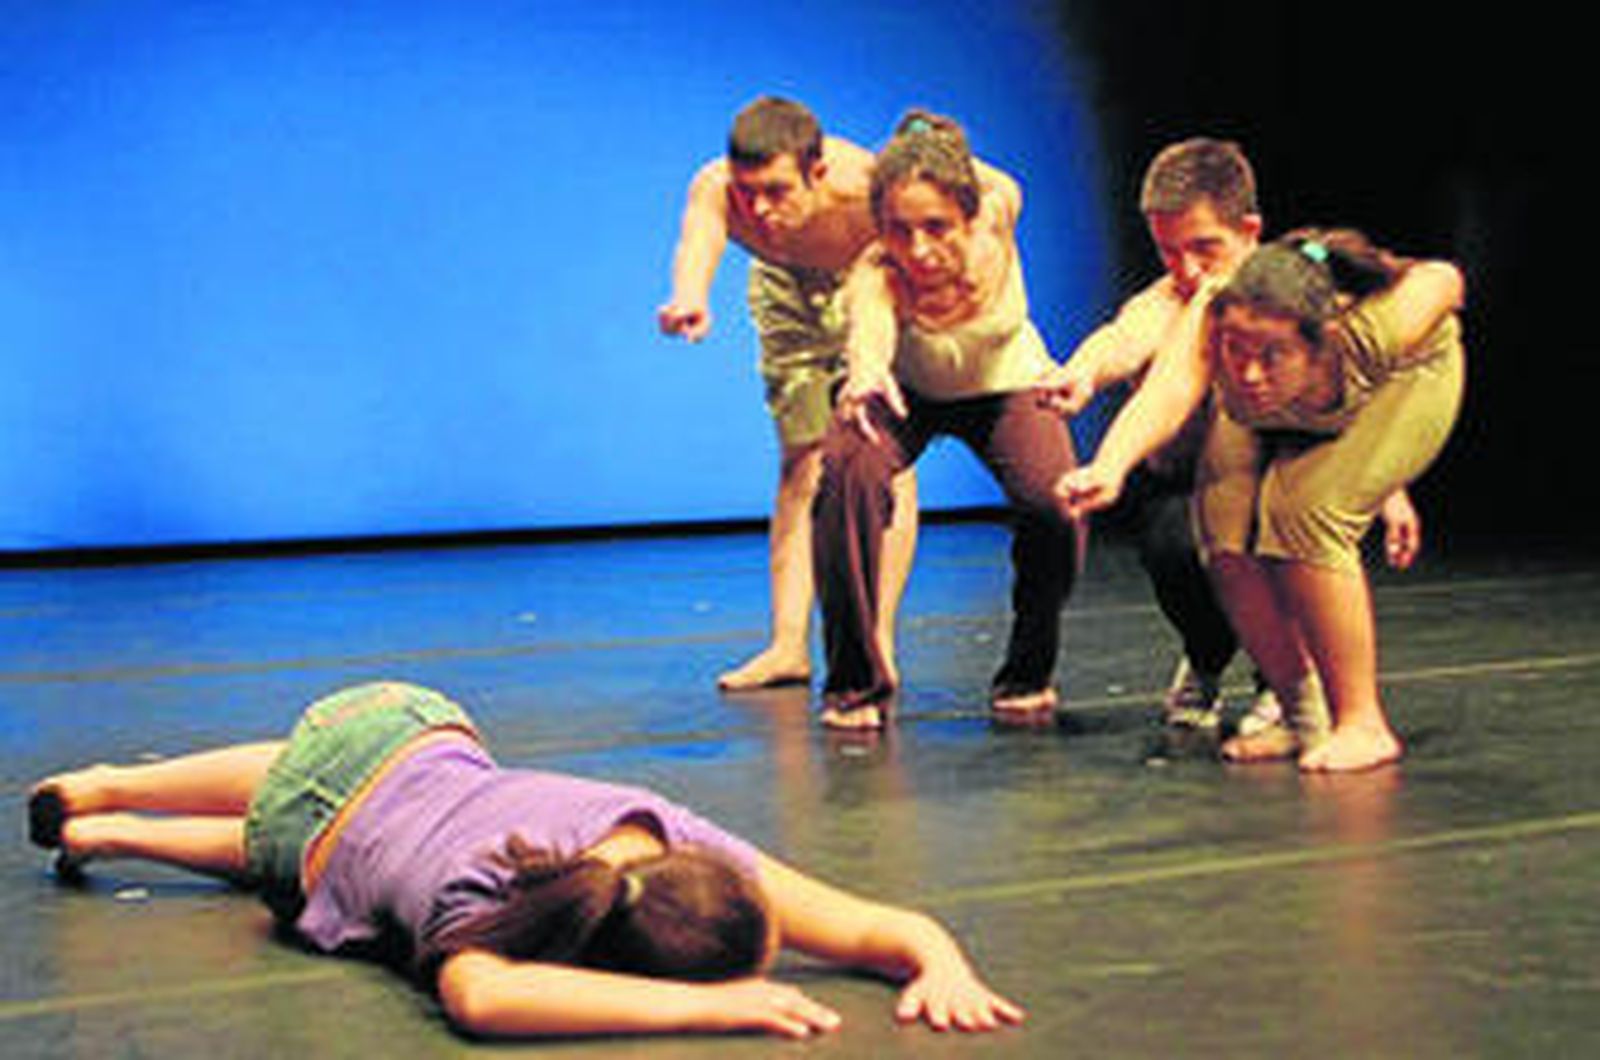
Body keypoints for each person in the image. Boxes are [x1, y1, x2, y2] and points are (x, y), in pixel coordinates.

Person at [26, 681, 1024, 1039]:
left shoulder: (673, 837)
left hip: (400, 725)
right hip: (314, 839)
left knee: (302, 789)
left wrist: (936, 959)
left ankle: (108, 802)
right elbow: (485, 1003)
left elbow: (881, 929)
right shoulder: (484, 916)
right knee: (288, 829)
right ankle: (117, 820)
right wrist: (706, 1002)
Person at [1038, 138, 1421, 735]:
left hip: (1281, 476)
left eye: (1204, 249)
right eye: (1169, 252)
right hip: (1191, 486)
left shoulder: (1292, 294)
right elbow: (1124, 339)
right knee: (1174, 544)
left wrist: (1390, 488)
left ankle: (1286, 682)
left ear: (1249, 231)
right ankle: (1208, 654)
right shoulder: (1169, 301)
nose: (1187, 269)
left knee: (1285, 526)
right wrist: (1080, 372)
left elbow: (1352, 398)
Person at [1060, 230, 1466, 772]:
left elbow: (1445, 279)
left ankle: (1363, 723)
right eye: (1236, 352)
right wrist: (1110, 465)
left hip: (1406, 384)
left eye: (1272, 355)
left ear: (1320, 340)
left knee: (1303, 513)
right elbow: (1170, 390)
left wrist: (1388, 488)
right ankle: (1301, 721)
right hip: (1283, 413)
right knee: (1223, 537)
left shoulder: (1370, 331)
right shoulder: (1220, 310)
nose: (1249, 373)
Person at [813, 111, 1084, 730]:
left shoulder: (1001, 206)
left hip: (1004, 384)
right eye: (898, 230)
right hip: (903, 388)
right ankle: (856, 685)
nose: (919, 250)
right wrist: (864, 368)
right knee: (847, 467)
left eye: (936, 227)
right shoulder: (878, 269)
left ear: (971, 213)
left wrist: (928, 148)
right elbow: (871, 323)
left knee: (1056, 503)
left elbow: (977, 178)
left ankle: (1028, 670)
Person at [659, 96, 918, 693]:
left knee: (884, 460)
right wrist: (690, 295)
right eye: (750, 191)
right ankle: (788, 646)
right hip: (785, 289)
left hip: (871, 285)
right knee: (802, 466)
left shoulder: (867, 187)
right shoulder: (718, 187)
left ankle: (874, 637)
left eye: (777, 191)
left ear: (818, 172)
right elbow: (699, 239)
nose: (760, 207)